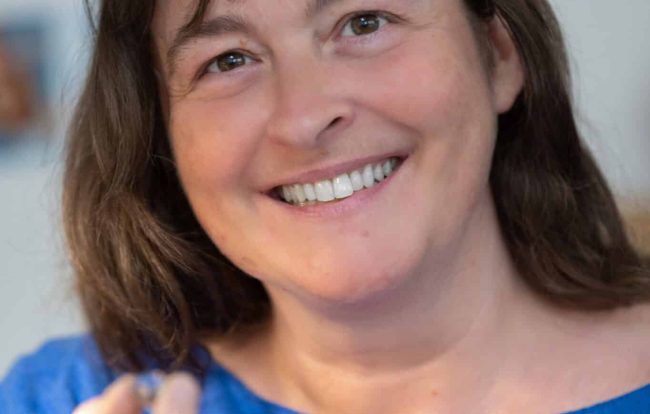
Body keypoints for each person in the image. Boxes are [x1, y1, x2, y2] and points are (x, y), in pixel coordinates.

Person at [2, 0, 650, 412]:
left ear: (499, 56)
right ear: (160, 136)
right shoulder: (58, 396)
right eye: (228, 60)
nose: (304, 117)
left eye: (364, 22)